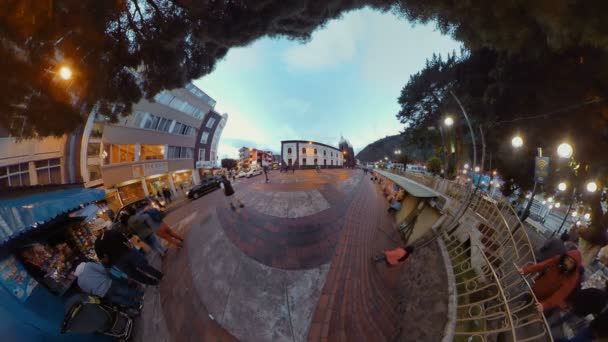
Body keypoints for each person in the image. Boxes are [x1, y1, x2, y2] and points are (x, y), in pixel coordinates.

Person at [517, 250, 582, 313]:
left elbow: (560, 294)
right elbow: (543, 265)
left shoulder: (572, 278)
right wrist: (525, 270)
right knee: (519, 300)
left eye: (571, 262)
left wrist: (545, 305)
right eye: (567, 259)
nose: (567, 263)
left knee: (526, 310)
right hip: (535, 288)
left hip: (542, 300)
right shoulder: (558, 260)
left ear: (574, 266)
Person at [94, 229, 163, 286]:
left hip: (118, 261)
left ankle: (153, 282)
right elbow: (126, 241)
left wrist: (108, 259)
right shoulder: (112, 231)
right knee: (143, 266)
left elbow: (103, 260)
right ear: (102, 230)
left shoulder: (96, 244)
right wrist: (132, 250)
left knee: (134, 275)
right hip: (127, 253)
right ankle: (159, 275)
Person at [74, 261, 143, 309]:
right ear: (80, 264)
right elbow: (102, 269)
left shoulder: (79, 282)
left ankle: (136, 305)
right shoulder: (88, 265)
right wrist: (105, 277)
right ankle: (140, 295)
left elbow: (89, 291)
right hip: (107, 283)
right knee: (124, 291)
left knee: (119, 299)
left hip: (102, 293)